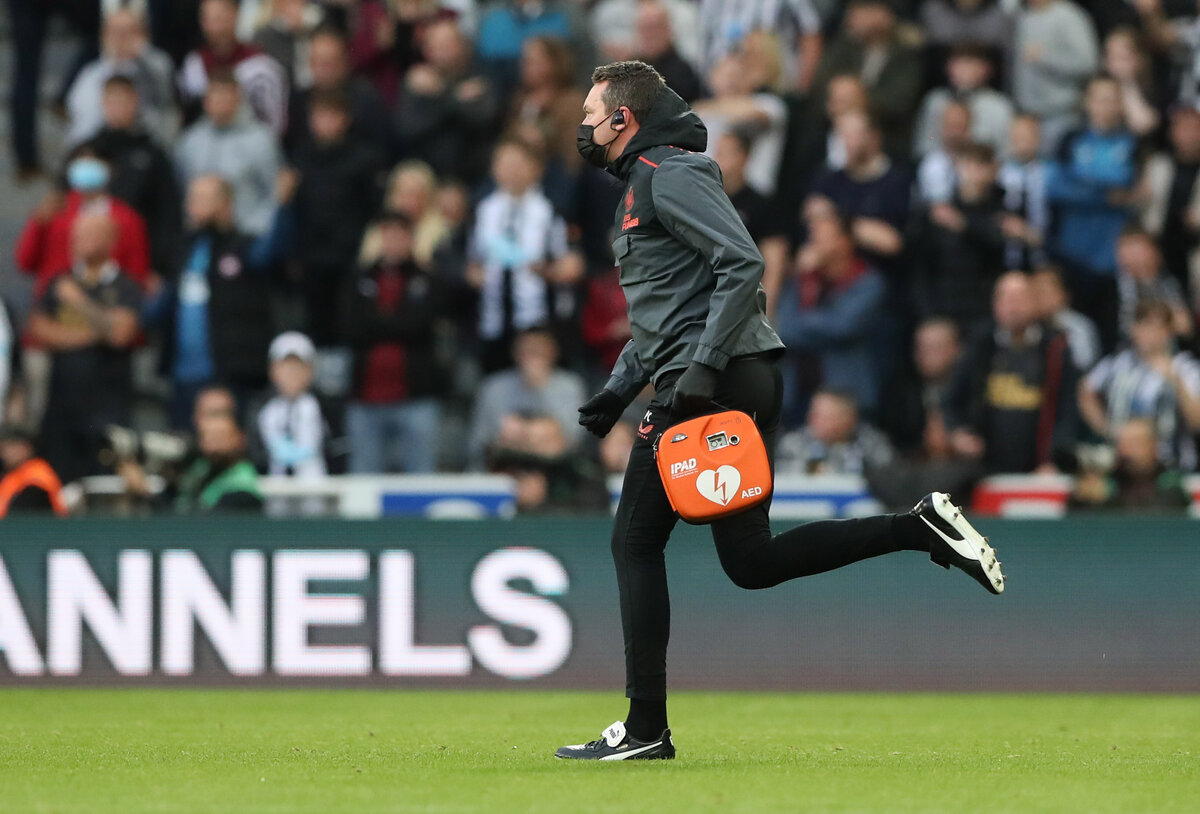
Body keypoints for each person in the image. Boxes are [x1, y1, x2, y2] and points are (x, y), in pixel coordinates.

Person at [558, 60, 1005, 762]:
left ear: (624, 120)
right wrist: (621, 387)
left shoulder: (670, 175)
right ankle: (916, 529)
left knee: (635, 543)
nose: (583, 125)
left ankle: (645, 729)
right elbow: (676, 308)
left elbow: (742, 264)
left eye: (591, 113)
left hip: (714, 381)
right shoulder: (654, 181)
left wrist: (701, 369)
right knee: (752, 560)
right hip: (725, 375)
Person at [153, 174, 293, 429]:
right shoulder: (183, 248)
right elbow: (162, 305)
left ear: (225, 204)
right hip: (183, 375)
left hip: (230, 374)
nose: (191, 206)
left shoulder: (243, 246)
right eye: (191, 199)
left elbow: (271, 253)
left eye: (201, 199)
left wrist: (283, 207)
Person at [28, 213, 143, 484]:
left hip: (108, 407)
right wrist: (98, 331)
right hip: (62, 407)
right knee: (59, 482)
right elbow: (39, 330)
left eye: (90, 235)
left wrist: (79, 302)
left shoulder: (125, 285)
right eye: (77, 236)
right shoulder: (60, 281)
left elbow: (121, 334)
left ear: (111, 240)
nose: (80, 242)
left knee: (105, 483)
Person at [943, 271, 1078, 475]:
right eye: (1005, 298)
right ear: (995, 305)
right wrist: (958, 434)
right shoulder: (980, 345)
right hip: (984, 468)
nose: (1013, 307)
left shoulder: (1056, 348)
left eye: (1020, 298)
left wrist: (1054, 457)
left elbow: (1068, 409)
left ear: (1034, 302)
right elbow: (951, 400)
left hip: (1040, 469)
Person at [341, 211, 446, 474]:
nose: (393, 242)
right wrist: (398, 321)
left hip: (416, 396)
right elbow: (351, 326)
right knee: (364, 479)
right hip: (365, 396)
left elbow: (420, 326)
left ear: (411, 240)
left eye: (400, 236)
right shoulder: (359, 278)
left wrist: (378, 320)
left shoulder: (428, 279)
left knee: (420, 475)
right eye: (388, 236)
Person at [467, 139, 582, 373]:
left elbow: (572, 259)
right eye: (504, 163)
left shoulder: (553, 209)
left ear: (536, 168)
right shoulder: (481, 209)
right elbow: (467, 257)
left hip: (540, 321)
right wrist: (470, 272)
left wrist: (558, 269)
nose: (511, 170)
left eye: (518, 163)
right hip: (493, 322)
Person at [1047, 74, 1139, 353]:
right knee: (1073, 341)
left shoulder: (1133, 143)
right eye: (1098, 98)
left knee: (1112, 342)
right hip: (1071, 257)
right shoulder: (1071, 140)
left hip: (1113, 262)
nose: (1104, 105)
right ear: (1087, 102)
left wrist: (1082, 182)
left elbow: (1132, 186)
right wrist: (1105, 195)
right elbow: (1055, 187)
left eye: (1111, 98)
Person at [290, 88, 387, 345]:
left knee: (350, 324)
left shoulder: (365, 159)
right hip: (311, 259)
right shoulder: (300, 159)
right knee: (313, 324)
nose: (326, 123)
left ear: (346, 119)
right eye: (320, 115)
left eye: (332, 115)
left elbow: (374, 209)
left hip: (351, 259)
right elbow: (295, 212)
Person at [776, 210, 887, 421]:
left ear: (845, 242)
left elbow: (842, 326)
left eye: (821, 238)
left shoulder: (869, 282)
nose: (812, 244)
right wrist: (800, 277)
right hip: (796, 395)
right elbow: (783, 329)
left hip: (847, 400)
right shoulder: (802, 278)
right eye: (812, 238)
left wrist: (804, 322)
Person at [79, 75, 182, 282]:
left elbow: (168, 213)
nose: (117, 108)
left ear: (135, 102)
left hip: (137, 264)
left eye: (123, 101)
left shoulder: (153, 154)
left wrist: (159, 268)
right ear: (103, 103)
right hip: (84, 266)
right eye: (112, 101)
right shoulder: (85, 152)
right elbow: (66, 208)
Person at [1078, 300, 1200, 471]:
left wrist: (1176, 381)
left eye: (1157, 327)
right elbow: (1085, 391)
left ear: (1168, 332)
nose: (1149, 334)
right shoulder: (1118, 364)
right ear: (1134, 329)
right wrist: (1106, 429)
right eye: (1144, 326)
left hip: (1172, 464)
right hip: (1123, 464)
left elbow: (1197, 421)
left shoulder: (1185, 368)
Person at [16, 153, 152, 294]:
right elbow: (25, 262)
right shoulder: (54, 211)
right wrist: (37, 223)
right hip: (55, 304)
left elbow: (137, 273)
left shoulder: (127, 218)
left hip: (109, 302)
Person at [393, 15, 500, 185]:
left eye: (449, 45)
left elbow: (484, 118)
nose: (443, 52)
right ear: (426, 51)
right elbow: (408, 128)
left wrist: (440, 94)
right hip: (427, 177)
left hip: (473, 177)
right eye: (437, 46)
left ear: (463, 46)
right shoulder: (417, 81)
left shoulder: (481, 77)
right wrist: (454, 97)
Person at [174, 72, 283, 238]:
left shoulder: (260, 140)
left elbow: (274, 192)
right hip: (199, 236)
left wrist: (256, 228)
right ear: (206, 101)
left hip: (245, 236)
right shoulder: (191, 141)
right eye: (215, 96)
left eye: (226, 96)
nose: (221, 102)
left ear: (238, 99)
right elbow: (182, 188)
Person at [811, 0, 924, 158]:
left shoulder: (905, 54)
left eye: (861, 11)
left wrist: (857, 100)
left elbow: (900, 100)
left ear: (885, 15)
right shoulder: (842, 48)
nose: (852, 17)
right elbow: (820, 86)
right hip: (832, 127)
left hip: (886, 133)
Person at [915, 141, 1007, 328]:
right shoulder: (939, 212)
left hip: (984, 307)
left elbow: (998, 243)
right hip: (944, 305)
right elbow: (922, 267)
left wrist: (964, 225)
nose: (973, 172)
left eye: (981, 164)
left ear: (993, 170)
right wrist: (929, 314)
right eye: (967, 164)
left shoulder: (1002, 208)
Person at [468, 328, 585, 470]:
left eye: (538, 350)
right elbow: (484, 440)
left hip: (554, 470)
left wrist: (539, 389)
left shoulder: (570, 386)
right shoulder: (494, 387)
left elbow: (571, 440)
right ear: (515, 353)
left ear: (553, 352)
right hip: (504, 468)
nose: (532, 356)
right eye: (526, 350)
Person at [64, 8, 176, 149]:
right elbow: (81, 125)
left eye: (130, 31)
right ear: (104, 36)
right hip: (101, 150)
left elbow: (165, 104)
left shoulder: (157, 65)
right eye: (115, 32)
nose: (122, 38)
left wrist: (142, 57)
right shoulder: (90, 75)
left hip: (148, 151)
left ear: (144, 35)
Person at [178, 0, 288, 134]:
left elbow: (274, 124)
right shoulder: (194, 64)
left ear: (235, 15)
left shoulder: (261, 67)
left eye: (220, 18)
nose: (215, 27)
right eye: (209, 19)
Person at [285, 26, 391, 158]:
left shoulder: (366, 99)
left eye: (331, 62)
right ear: (310, 64)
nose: (325, 70)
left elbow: (381, 148)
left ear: (345, 63)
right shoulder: (297, 100)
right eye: (319, 63)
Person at [1012, 0, 1099, 153]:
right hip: (1026, 114)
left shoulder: (1069, 16)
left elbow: (1088, 63)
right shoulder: (1021, 16)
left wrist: (1046, 57)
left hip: (1060, 116)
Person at [913, 43, 1013, 159]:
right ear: (949, 67)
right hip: (940, 163)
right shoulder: (935, 101)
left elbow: (1005, 148)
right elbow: (927, 140)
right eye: (960, 64)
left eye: (971, 64)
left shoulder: (999, 106)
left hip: (984, 165)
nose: (966, 70)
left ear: (987, 68)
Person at [1140, 104, 1200, 298]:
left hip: (1194, 248)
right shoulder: (1157, 164)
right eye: (1182, 128)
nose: (1188, 135)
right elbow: (1139, 205)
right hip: (1159, 245)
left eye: (1194, 128)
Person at [1070, 418, 1192, 511]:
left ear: (1153, 447)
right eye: (1121, 444)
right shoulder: (1110, 479)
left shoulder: (1169, 480)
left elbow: (1162, 514)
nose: (1125, 451)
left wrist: (1110, 499)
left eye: (1134, 443)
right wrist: (1083, 499)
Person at [775, 389, 895, 476]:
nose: (811, 419)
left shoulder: (871, 443)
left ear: (848, 419)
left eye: (822, 416)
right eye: (813, 413)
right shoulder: (793, 443)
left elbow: (889, 475)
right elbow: (782, 477)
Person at [1114, 226, 1193, 342]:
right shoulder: (1110, 290)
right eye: (1125, 249)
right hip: (1124, 355)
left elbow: (1185, 327)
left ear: (1156, 253)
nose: (1130, 256)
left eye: (1137, 249)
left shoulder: (1171, 284)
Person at [174, 411, 264, 513]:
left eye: (220, 437)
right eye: (207, 437)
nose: (214, 446)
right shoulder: (199, 471)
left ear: (240, 438)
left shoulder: (242, 487)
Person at [999, 114, 1051, 270]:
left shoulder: (1051, 173)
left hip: (1047, 255)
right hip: (1007, 256)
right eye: (1018, 135)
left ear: (1038, 138)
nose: (1022, 140)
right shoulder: (1000, 174)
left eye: (1028, 135)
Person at [0, 424, 67, 517]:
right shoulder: (14, 474)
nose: (5, 454)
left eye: (10, 447)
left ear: (26, 447)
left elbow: (23, 515)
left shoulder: (37, 474)